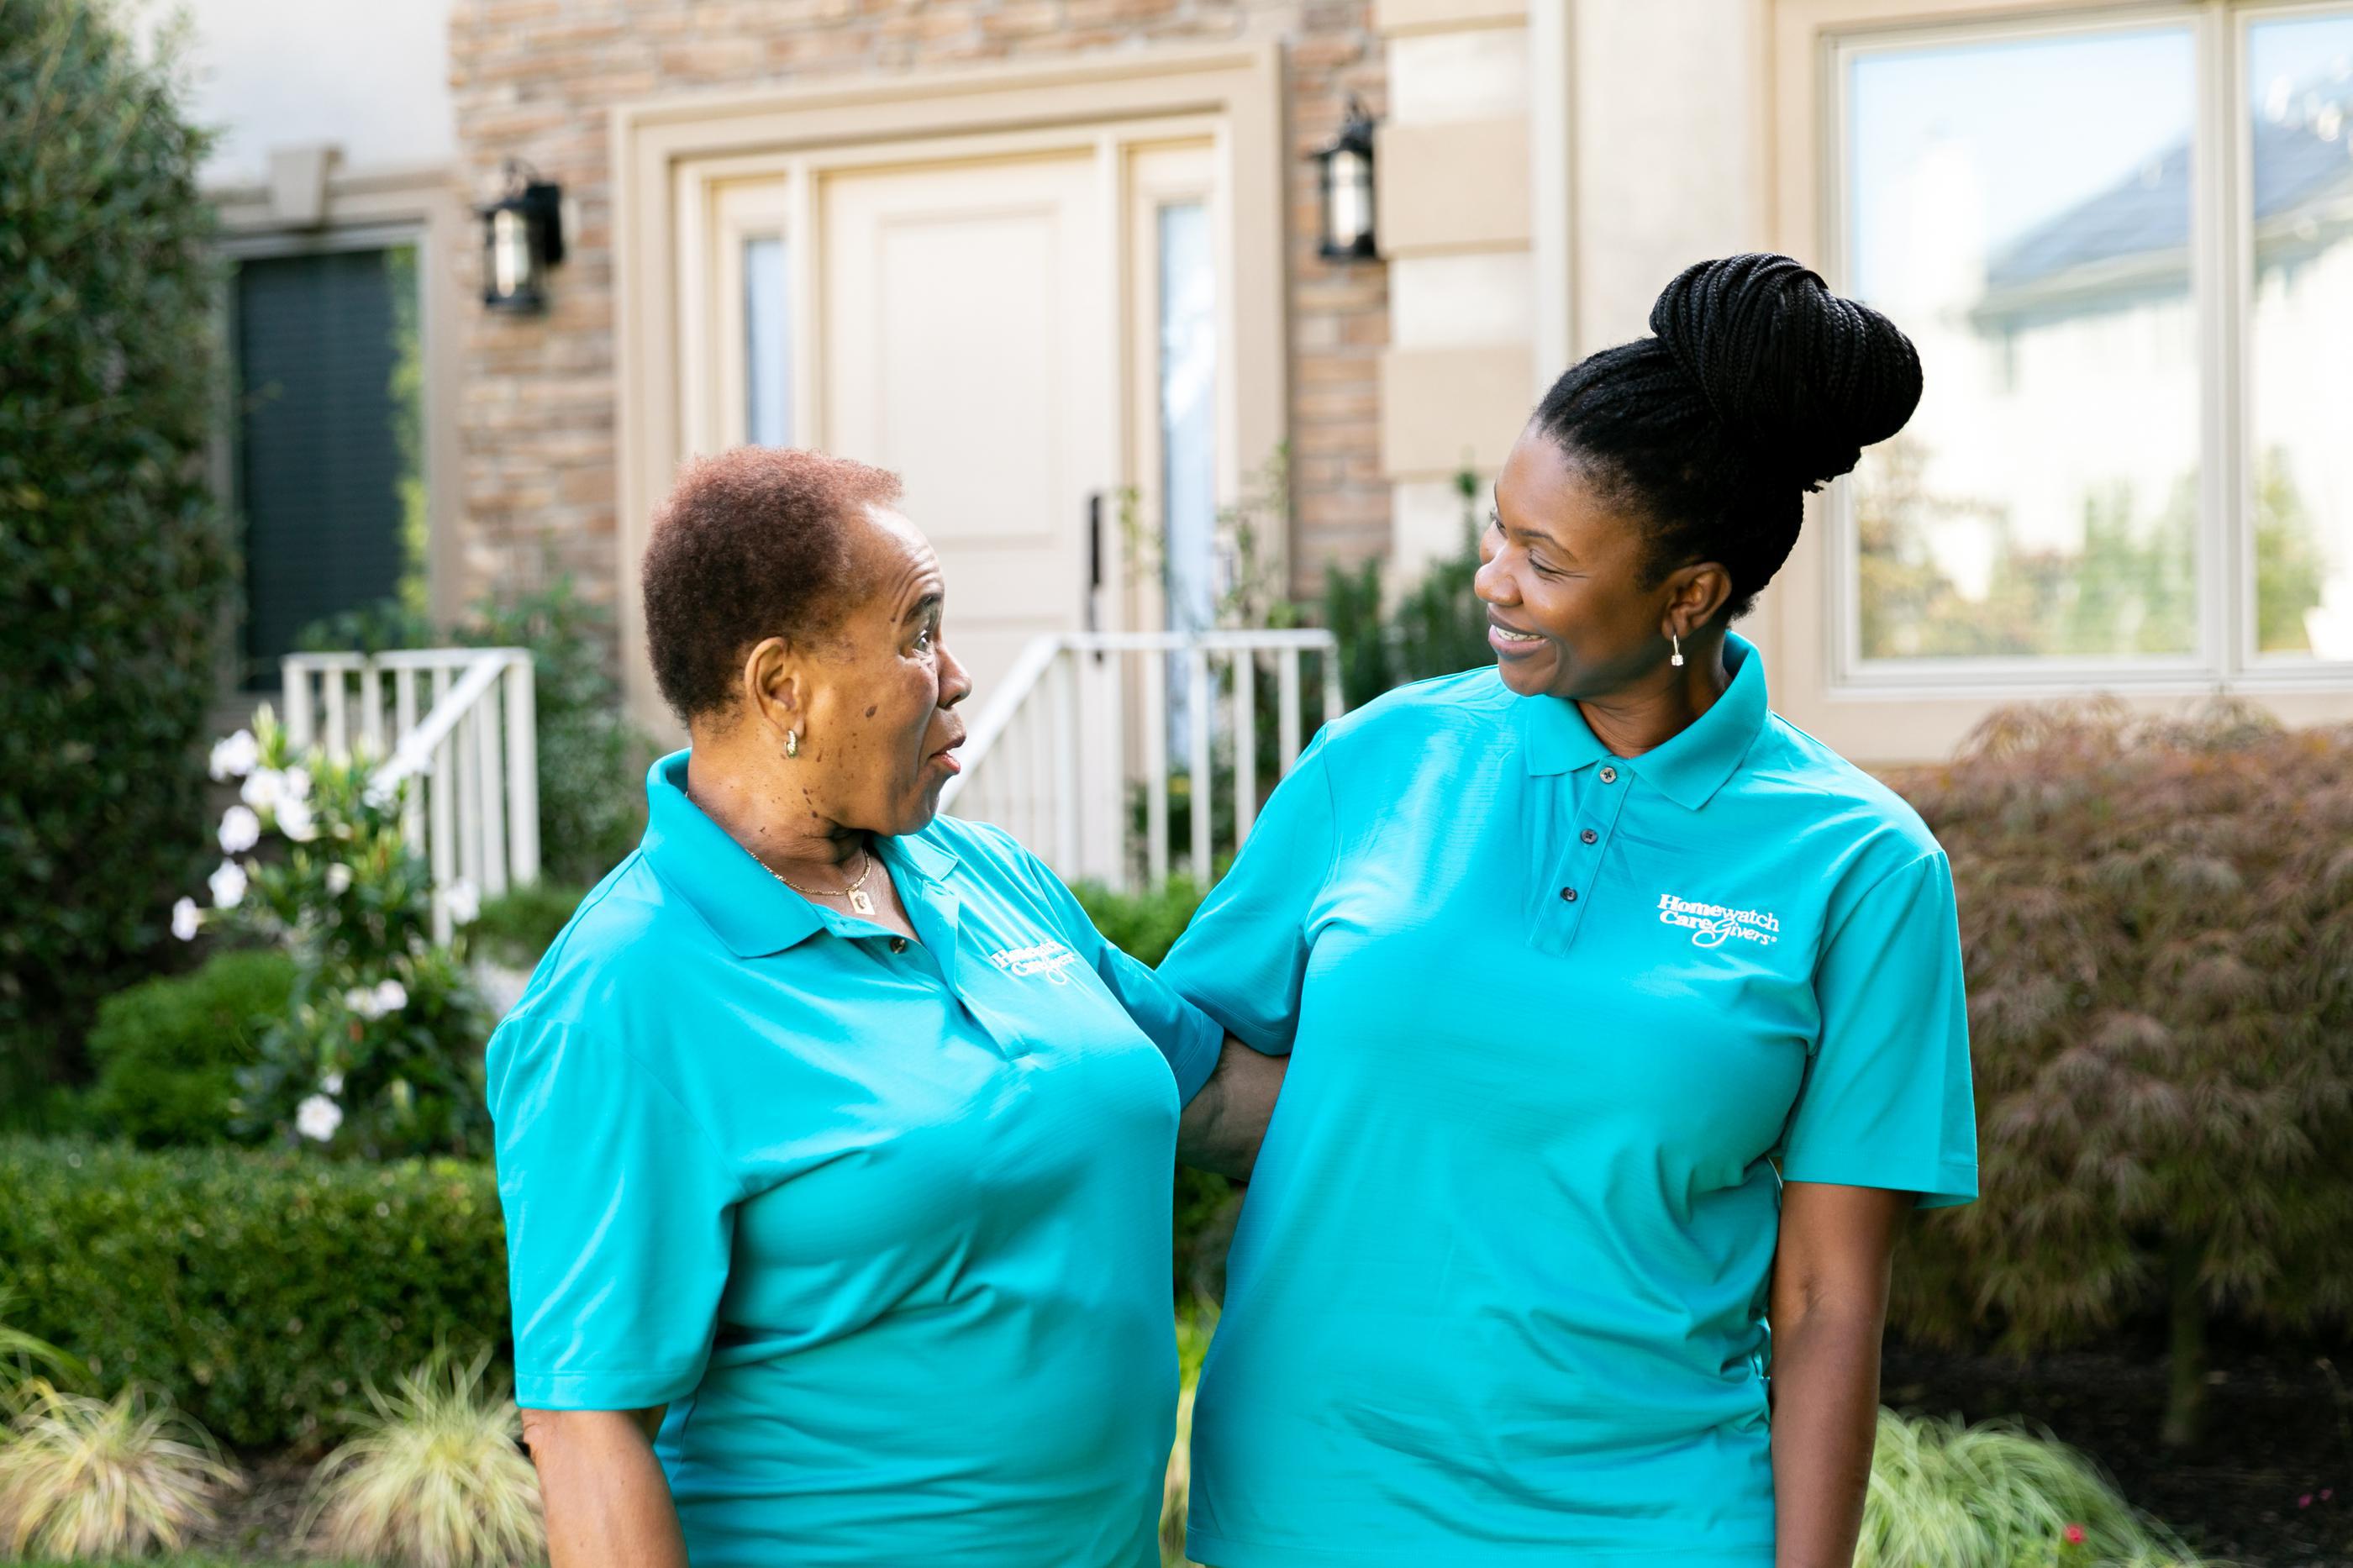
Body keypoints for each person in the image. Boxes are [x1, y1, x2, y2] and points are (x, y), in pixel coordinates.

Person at [1160, 253, 1980, 1568]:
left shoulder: (1863, 867)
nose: (1492, 578)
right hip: (1317, 1500)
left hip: (1650, 1517)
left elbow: (1830, 1295)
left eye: (1542, 559)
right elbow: (1185, 1064)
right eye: (1497, 528)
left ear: (1688, 595)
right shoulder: (1382, 758)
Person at [486, 447, 1280, 1568]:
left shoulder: (983, 871)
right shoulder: (627, 989)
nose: (954, 674)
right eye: (917, 631)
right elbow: (586, 1423)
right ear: (781, 687)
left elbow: (1212, 1098)